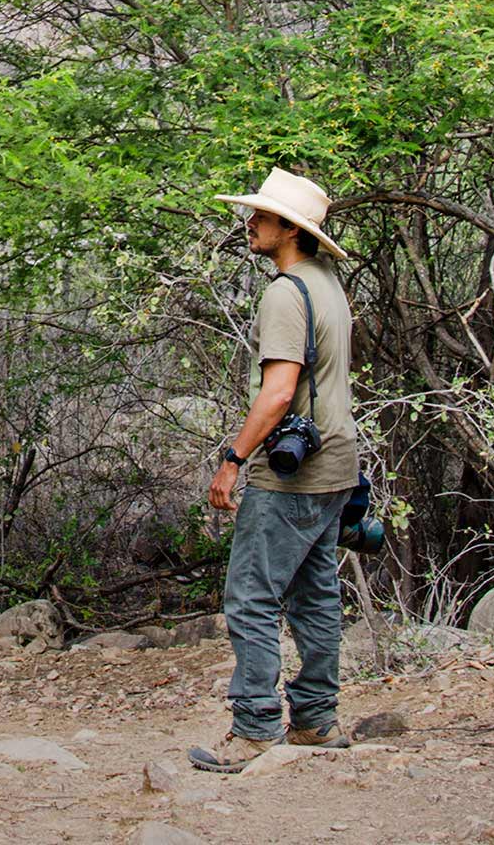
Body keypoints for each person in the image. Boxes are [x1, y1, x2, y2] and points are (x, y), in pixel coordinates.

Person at [189, 168, 358, 773]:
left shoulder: (287, 292)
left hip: (292, 474)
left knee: (251, 596)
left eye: (260, 217)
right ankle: (316, 720)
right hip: (339, 465)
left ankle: (257, 727)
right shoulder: (328, 284)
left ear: (290, 229)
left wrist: (232, 460)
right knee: (315, 596)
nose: (250, 224)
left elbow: (278, 392)